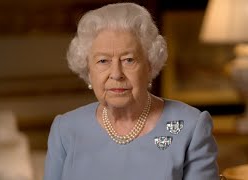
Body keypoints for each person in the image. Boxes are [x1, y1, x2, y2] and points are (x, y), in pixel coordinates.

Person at [44, 2, 219, 180]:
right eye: (103, 61)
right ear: (88, 70)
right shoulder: (65, 129)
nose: (116, 74)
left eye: (128, 60)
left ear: (150, 66)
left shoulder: (190, 127)